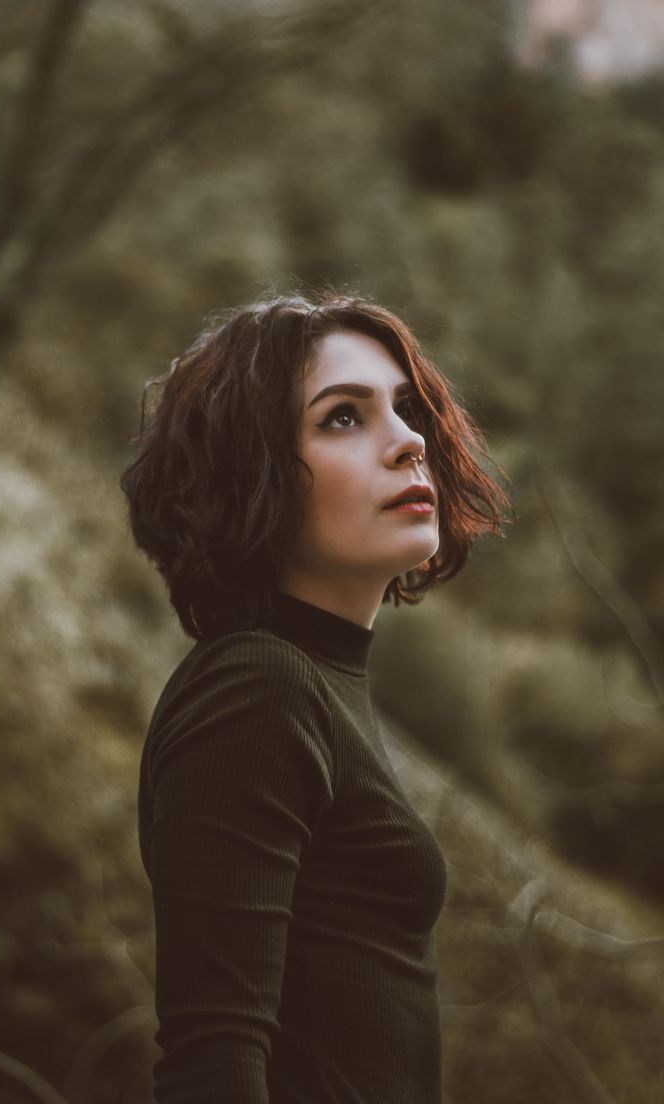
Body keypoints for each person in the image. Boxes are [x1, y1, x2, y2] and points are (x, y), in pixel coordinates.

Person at [120, 290, 508, 1103]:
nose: (408, 442)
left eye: (405, 409)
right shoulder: (261, 688)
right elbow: (213, 1066)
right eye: (343, 417)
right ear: (249, 473)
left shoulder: (316, 684)